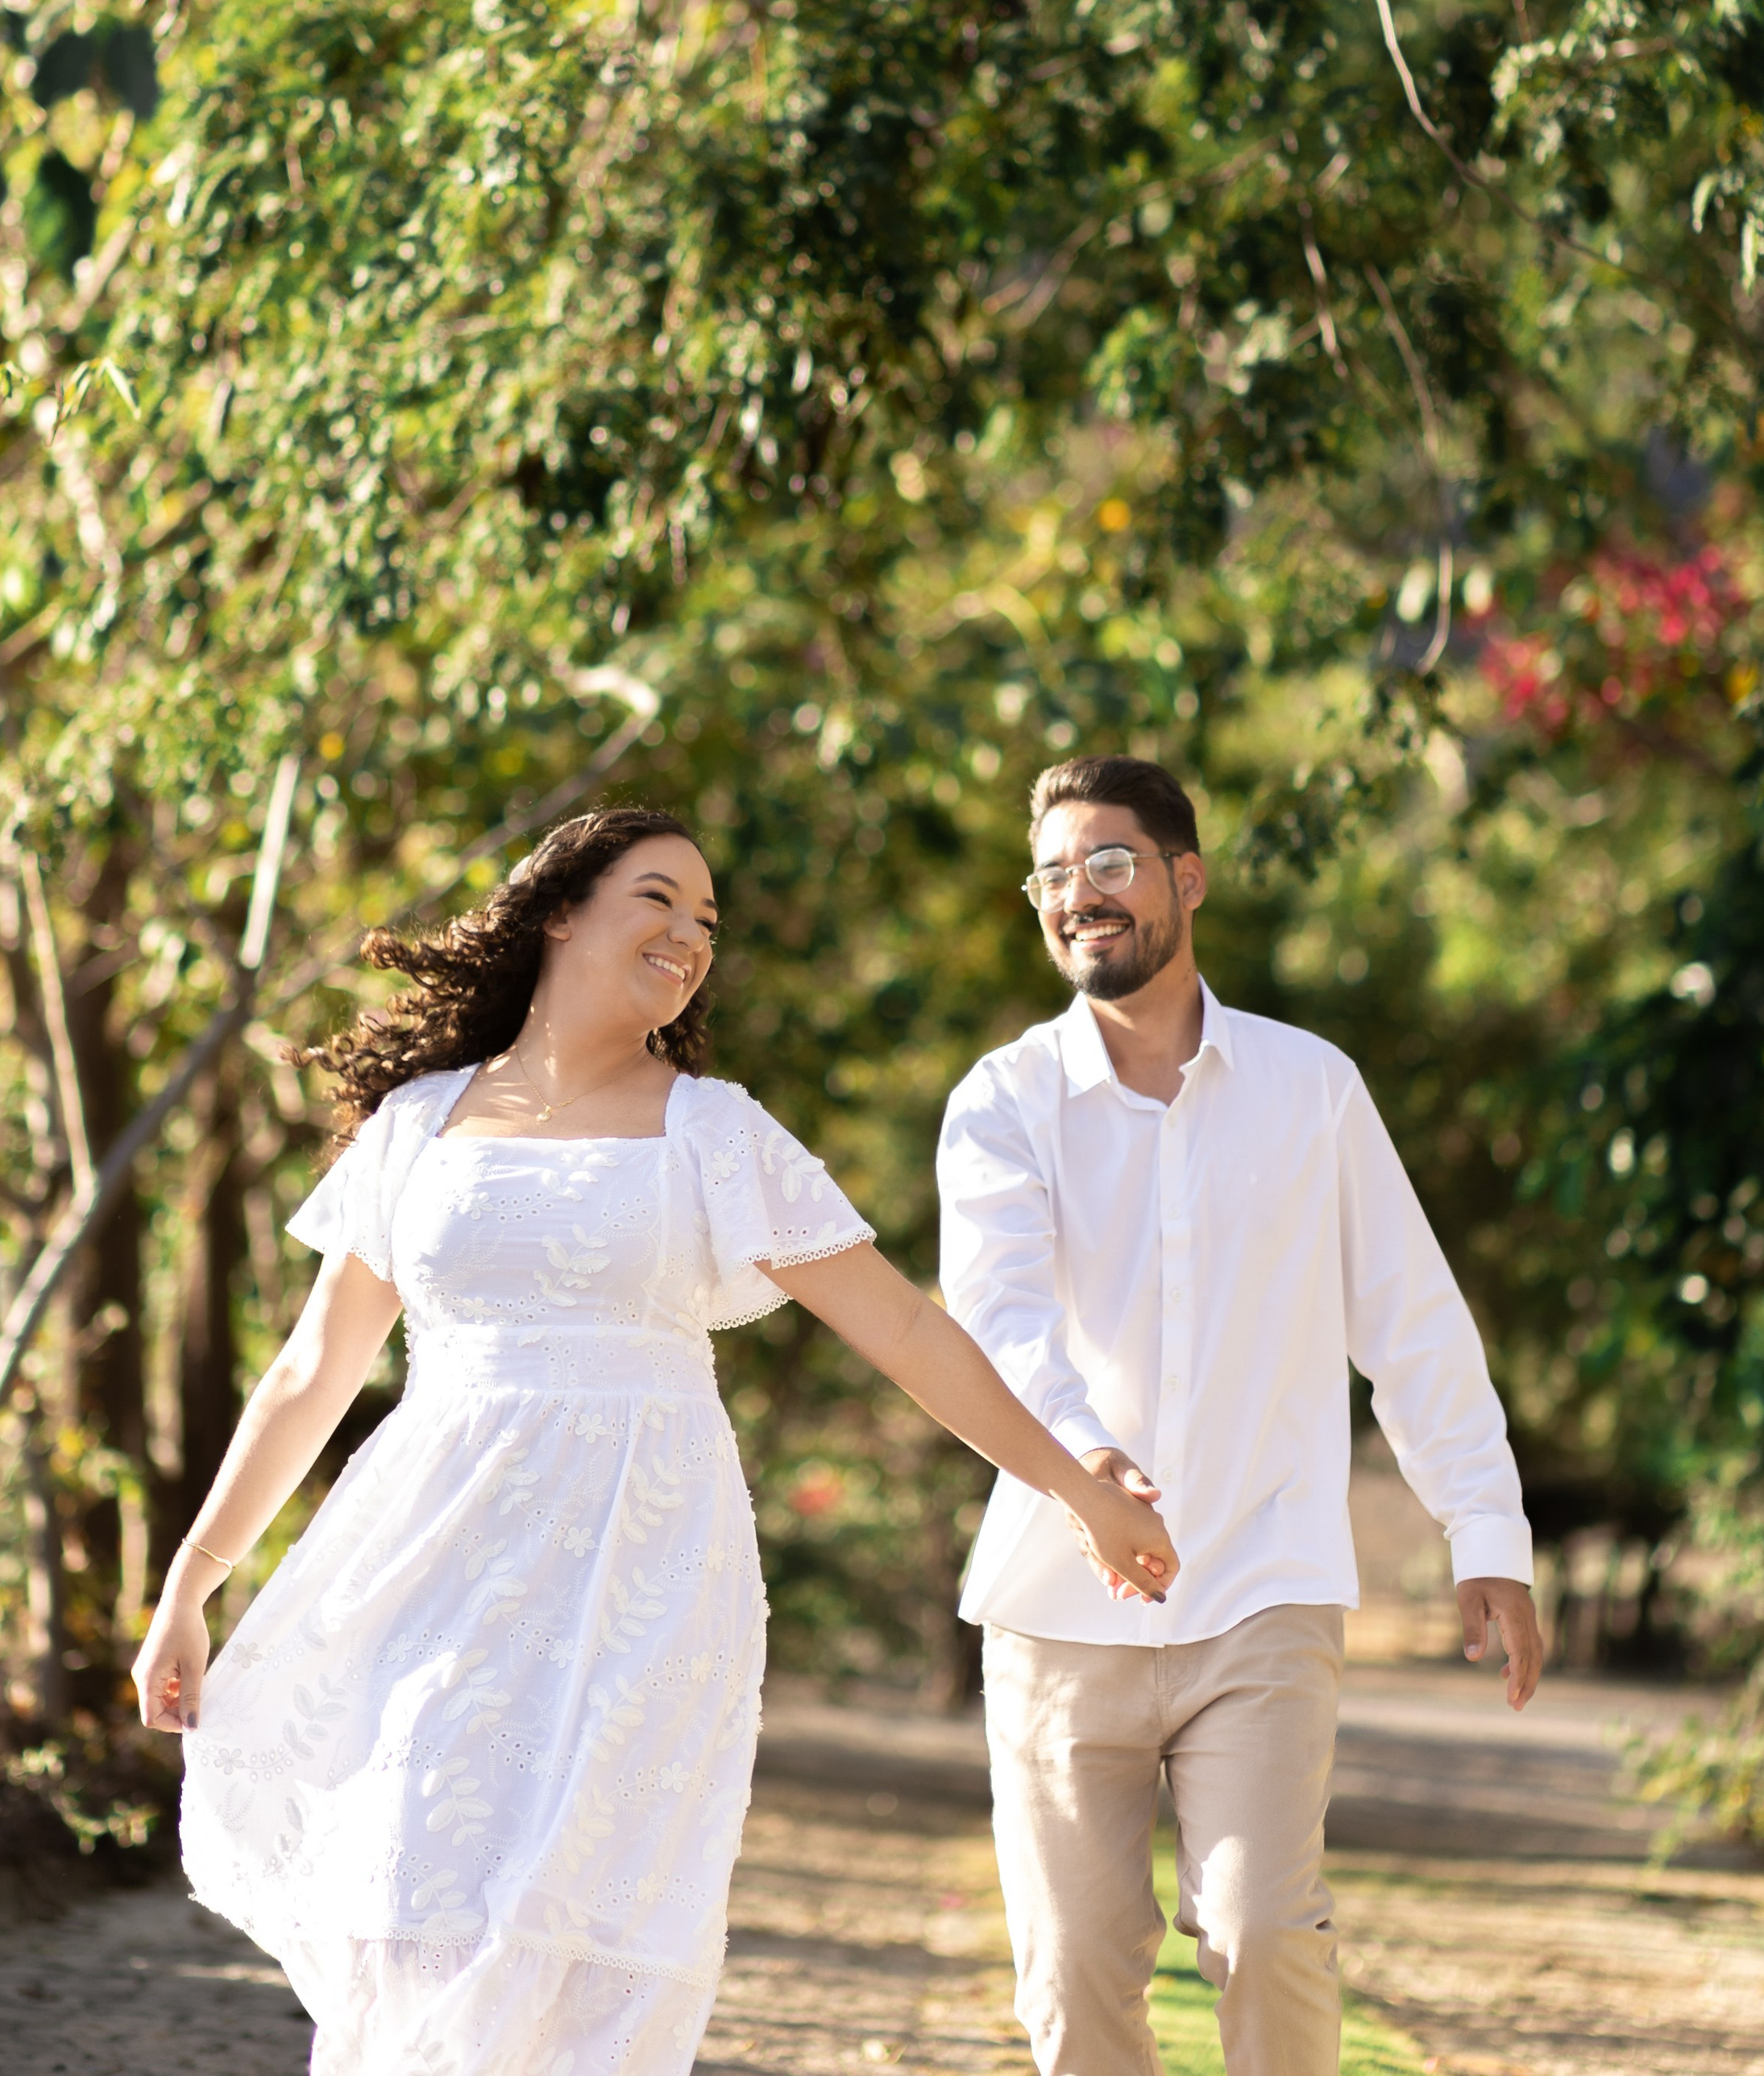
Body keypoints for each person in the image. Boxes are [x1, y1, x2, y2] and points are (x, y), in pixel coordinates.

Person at [134, 804, 1179, 2076]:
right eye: (658, 900)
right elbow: (309, 1372)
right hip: (430, 1559)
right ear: (560, 909)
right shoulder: (418, 1125)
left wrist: (1075, 1487)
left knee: (575, 1916)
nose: (690, 937)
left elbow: (904, 1326)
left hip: (642, 1574)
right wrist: (193, 1581)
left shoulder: (715, 1133)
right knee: (410, 1889)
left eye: (707, 922)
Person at [937, 753, 1542, 2076]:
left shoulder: (1310, 1086)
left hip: (1265, 1585)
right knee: (1078, 1978)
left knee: (1266, 1932)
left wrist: (1484, 1528)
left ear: (1184, 879)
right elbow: (999, 1317)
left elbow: (1410, 1316)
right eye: (1051, 875)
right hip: (1057, 1605)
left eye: (1110, 864)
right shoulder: (1001, 1102)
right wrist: (1082, 1464)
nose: (1077, 896)